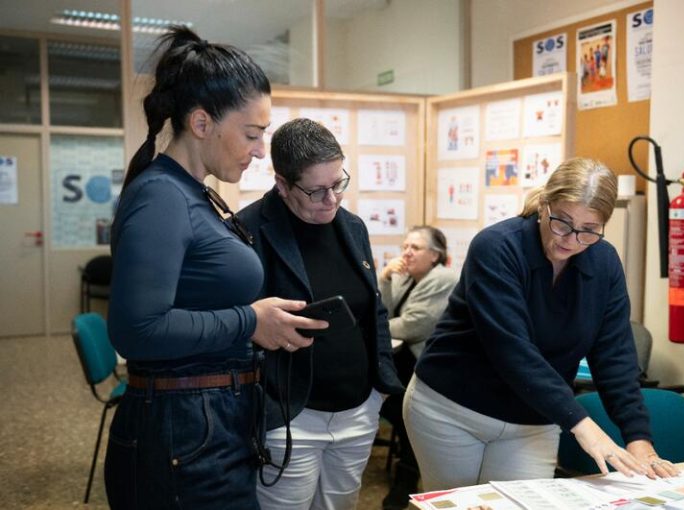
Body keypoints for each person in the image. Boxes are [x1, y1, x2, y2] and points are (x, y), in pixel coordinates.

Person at [104, 27, 325, 509]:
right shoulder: (162, 196)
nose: (261, 150)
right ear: (202, 123)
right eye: (252, 134)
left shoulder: (192, 192)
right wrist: (251, 321)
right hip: (181, 429)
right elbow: (135, 329)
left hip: (206, 420)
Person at [403, 158, 679, 492]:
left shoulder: (604, 263)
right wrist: (581, 423)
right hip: (453, 410)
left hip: (535, 418)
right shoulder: (497, 247)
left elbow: (615, 355)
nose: (571, 239)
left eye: (589, 230)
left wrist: (638, 439)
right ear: (544, 205)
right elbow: (512, 350)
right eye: (561, 221)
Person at [237, 118, 404, 510]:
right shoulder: (246, 231)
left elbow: (374, 309)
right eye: (316, 191)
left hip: (358, 410)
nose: (331, 200)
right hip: (291, 414)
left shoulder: (352, 226)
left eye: (338, 184)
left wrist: (380, 389)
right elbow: (236, 323)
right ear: (282, 184)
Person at [378, 226, 458, 510]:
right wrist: (386, 280)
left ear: (435, 255)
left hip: (429, 365)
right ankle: (406, 467)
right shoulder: (404, 278)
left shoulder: (444, 279)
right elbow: (383, 313)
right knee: (389, 404)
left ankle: (407, 476)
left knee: (403, 412)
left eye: (415, 248)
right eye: (405, 247)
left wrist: (370, 330)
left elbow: (414, 325)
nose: (406, 253)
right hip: (402, 359)